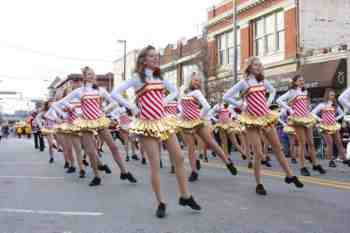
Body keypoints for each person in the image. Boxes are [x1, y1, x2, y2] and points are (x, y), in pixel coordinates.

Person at [111, 45, 201, 218]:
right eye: (151, 56)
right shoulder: (137, 78)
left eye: (156, 56)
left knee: (179, 158)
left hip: (163, 121)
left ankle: (185, 196)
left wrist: (163, 102)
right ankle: (161, 202)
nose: (155, 58)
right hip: (147, 124)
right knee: (155, 164)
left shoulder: (160, 77)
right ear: (143, 60)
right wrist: (132, 107)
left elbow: (175, 91)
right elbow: (115, 93)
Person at [224, 57, 303, 195]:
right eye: (255, 64)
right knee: (258, 152)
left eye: (259, 65)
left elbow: (272, 91)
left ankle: (290, 176)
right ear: (249, 67)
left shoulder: (263, 81)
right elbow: (226, 97)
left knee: (277, 147)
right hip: (251, 120)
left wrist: (267, 104)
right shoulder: (244, 83)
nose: (258, 66)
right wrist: (241, 105)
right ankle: (258, 183)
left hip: (265, 117)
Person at [54, 66, 137, 186]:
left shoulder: (100, 90)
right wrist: (73, 111)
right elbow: (59, 103)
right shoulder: (79, 91)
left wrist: (104, 110)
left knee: (113, 147)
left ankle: (124, 172)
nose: (92, 76)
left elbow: (114, 103)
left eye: (93, 74)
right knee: (91, 152)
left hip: (99, 120)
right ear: (84, 77)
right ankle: (97, 176)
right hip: (86, 122)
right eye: (89, 74)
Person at [178, 72, 238, 182]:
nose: (198, 83)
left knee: (211, 142)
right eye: (196, 80)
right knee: (191, 148)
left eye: (199, 81)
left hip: (197, 122)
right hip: (185, 123)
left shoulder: (197, 92)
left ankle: (228, 163)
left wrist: (198, 117)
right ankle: (194, 172)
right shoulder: (182, 90)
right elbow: (179, 104)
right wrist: (182, 114)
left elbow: (207, 106)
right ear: (190, 80)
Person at [277, 74, 326, 176]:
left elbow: (305, 105)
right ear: (295, 82)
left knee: (311, 143)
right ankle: (302, 167)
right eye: (299, 80)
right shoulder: (292, 92)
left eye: (303, 80)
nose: (302, 82)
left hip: (306, 118)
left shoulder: (305, 91)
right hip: (298, 119)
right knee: (302, 143)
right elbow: (279, 100)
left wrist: (308, 109)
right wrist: (290, 109)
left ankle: (315, 164)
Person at [312, 89, 345, 167]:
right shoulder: (322, 105)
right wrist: (320, 120)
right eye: (331, 95)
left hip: (333, 125)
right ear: (327, 95)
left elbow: (342, 113)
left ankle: (344, 159)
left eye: (333, 95)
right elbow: (312, 113)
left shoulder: (335, 105)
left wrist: (336, 118)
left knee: (339, 142)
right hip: (325, 126)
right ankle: (330, 161)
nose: (333, 97)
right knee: (329, 143)